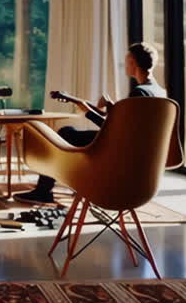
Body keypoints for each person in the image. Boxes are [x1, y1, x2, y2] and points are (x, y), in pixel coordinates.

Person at [13, 42, 167, 204]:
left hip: (119, 151)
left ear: (132, 62)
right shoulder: (159, 92)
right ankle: (56, 185)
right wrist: (107, 108)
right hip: (139, 153)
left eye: (126, 60)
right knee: (69, 132)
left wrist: (87, 112)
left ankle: (44, 190)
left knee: (65, 133)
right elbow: (129, 125)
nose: (124, 65)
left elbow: (115, 131)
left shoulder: (139, 93)